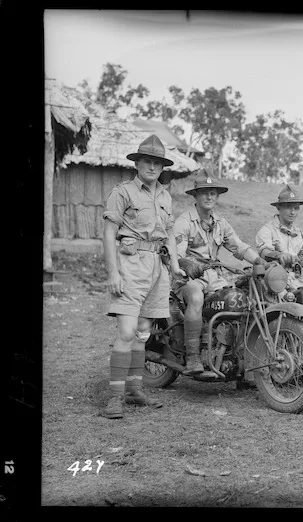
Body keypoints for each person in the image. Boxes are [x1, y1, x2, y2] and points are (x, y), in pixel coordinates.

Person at [102, 134, 186, 419]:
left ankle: (135, 390)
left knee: (142, 332)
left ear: (163, 167)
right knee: (126, 332)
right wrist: (113, 272)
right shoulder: (123, 191)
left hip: (156, 268)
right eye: (147, 161)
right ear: (137, 163)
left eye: (157, 163)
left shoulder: (164, 195)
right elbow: (109, 233)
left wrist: (174, 264)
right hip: (130, 264)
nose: (152, 167)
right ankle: (114, 398)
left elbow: (171, 232)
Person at [173, 169, 265, 377]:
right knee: (196, 297)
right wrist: (187, 265)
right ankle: (193, 357)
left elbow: (238, 246)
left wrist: (259, 260)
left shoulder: (220, 223)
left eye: (213, 192)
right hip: (187, 278)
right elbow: (176, 255)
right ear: (195, 196)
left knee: (241, 299)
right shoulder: (184, 221)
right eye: (204, 192)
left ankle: (238, 358)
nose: (208, 196)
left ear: (217, 196)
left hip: (214, 277)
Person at [255, 184, 303, 292]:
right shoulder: (267, 230)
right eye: (288, 207)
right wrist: (279, 255)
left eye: (296, 208)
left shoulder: (299, 234)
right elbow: (264, 251)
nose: (293, 212)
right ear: (279, 208)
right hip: (273, 283)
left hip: (295, 283)